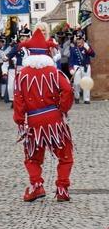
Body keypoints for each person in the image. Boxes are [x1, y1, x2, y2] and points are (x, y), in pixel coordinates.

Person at [13, 29, 74, 202]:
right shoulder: (54, 72)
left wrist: (19, 119)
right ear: (47, 53)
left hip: (33, 120)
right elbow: (67, 89)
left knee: (33, 157)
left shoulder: (22, 74)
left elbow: (18, 99)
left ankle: (36, 186)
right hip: (54, 119)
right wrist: (62, 108)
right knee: (65, 155)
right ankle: (62, 188)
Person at [69, 34, 94, 104]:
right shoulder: (73, 49)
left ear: (83, 40)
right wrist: (71, 68)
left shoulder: (87, 47)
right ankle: (77, 96)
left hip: (86, 67)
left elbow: (93, 55)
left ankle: (86, 99)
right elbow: (71, 59)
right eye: (77, 39)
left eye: (80, 39)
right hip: (77, 67)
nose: (78, 41)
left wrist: (88, 48)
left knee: (86, 83)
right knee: (76, 83)